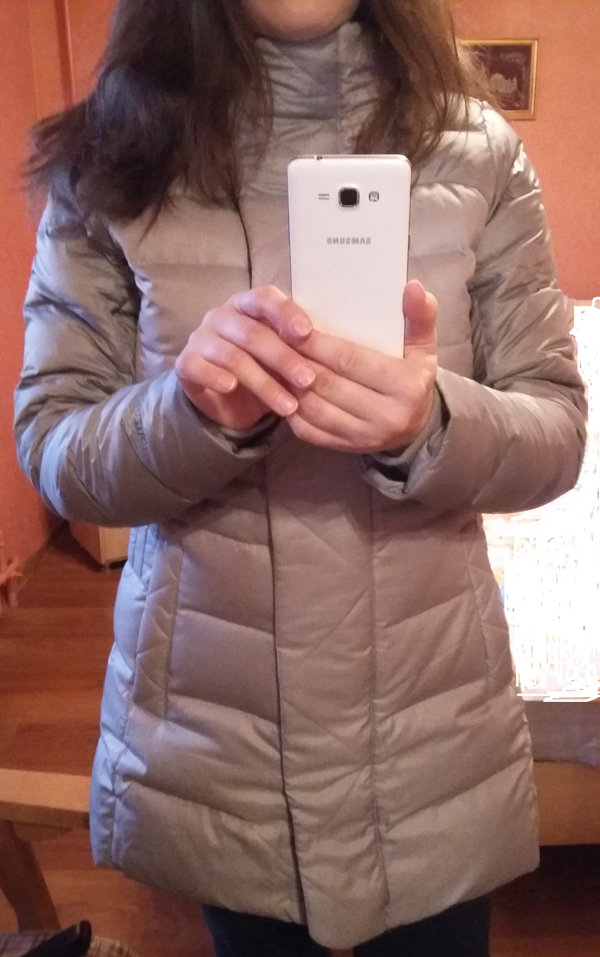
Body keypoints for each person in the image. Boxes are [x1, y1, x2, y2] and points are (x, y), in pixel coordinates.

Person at [15, 0, 586, 954]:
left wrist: (433, 423)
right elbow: (54, 444)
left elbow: (558, 429)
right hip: (218, 751)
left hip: (433, 739)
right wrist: (190, 414)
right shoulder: (112, 158)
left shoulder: (479, 152)